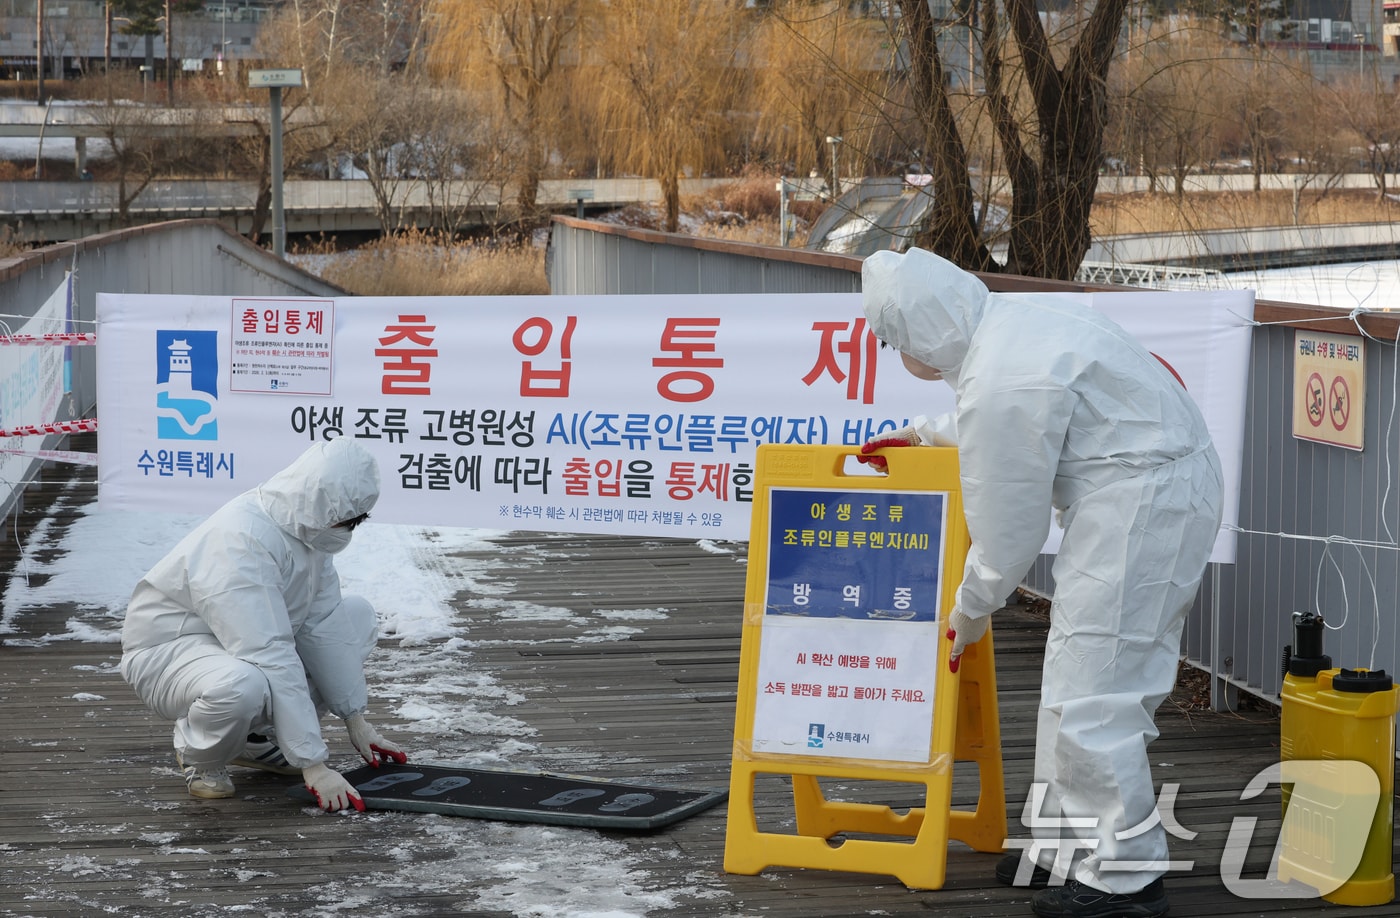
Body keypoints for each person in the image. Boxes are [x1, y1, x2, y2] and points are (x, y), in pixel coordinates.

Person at [858, 248, 1223, 918]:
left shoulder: (1003, 370)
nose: (899, 354)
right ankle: (1065, 845)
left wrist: (966, 612)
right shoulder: (1009, 321)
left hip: (1143, 503)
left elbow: (1007, 533)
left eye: (895, 340)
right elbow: (1012, 412)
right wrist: (924, 434)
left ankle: (1125, 879)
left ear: (921, 330)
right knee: (1071, 679)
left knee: (1096, 693)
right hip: (1141, 489)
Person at [120, 438, 408, 812]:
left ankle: (253, 740)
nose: (348, 530)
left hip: (237, 647)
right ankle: (200, 755)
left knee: (356, 617)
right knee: (243, 683)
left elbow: (324, 625)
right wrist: (313, 764)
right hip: (170, 651)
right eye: (346, 520)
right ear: (321, 504)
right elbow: (269, 651)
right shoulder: (240, 540)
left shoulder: (309, 528)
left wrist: (356, 719)